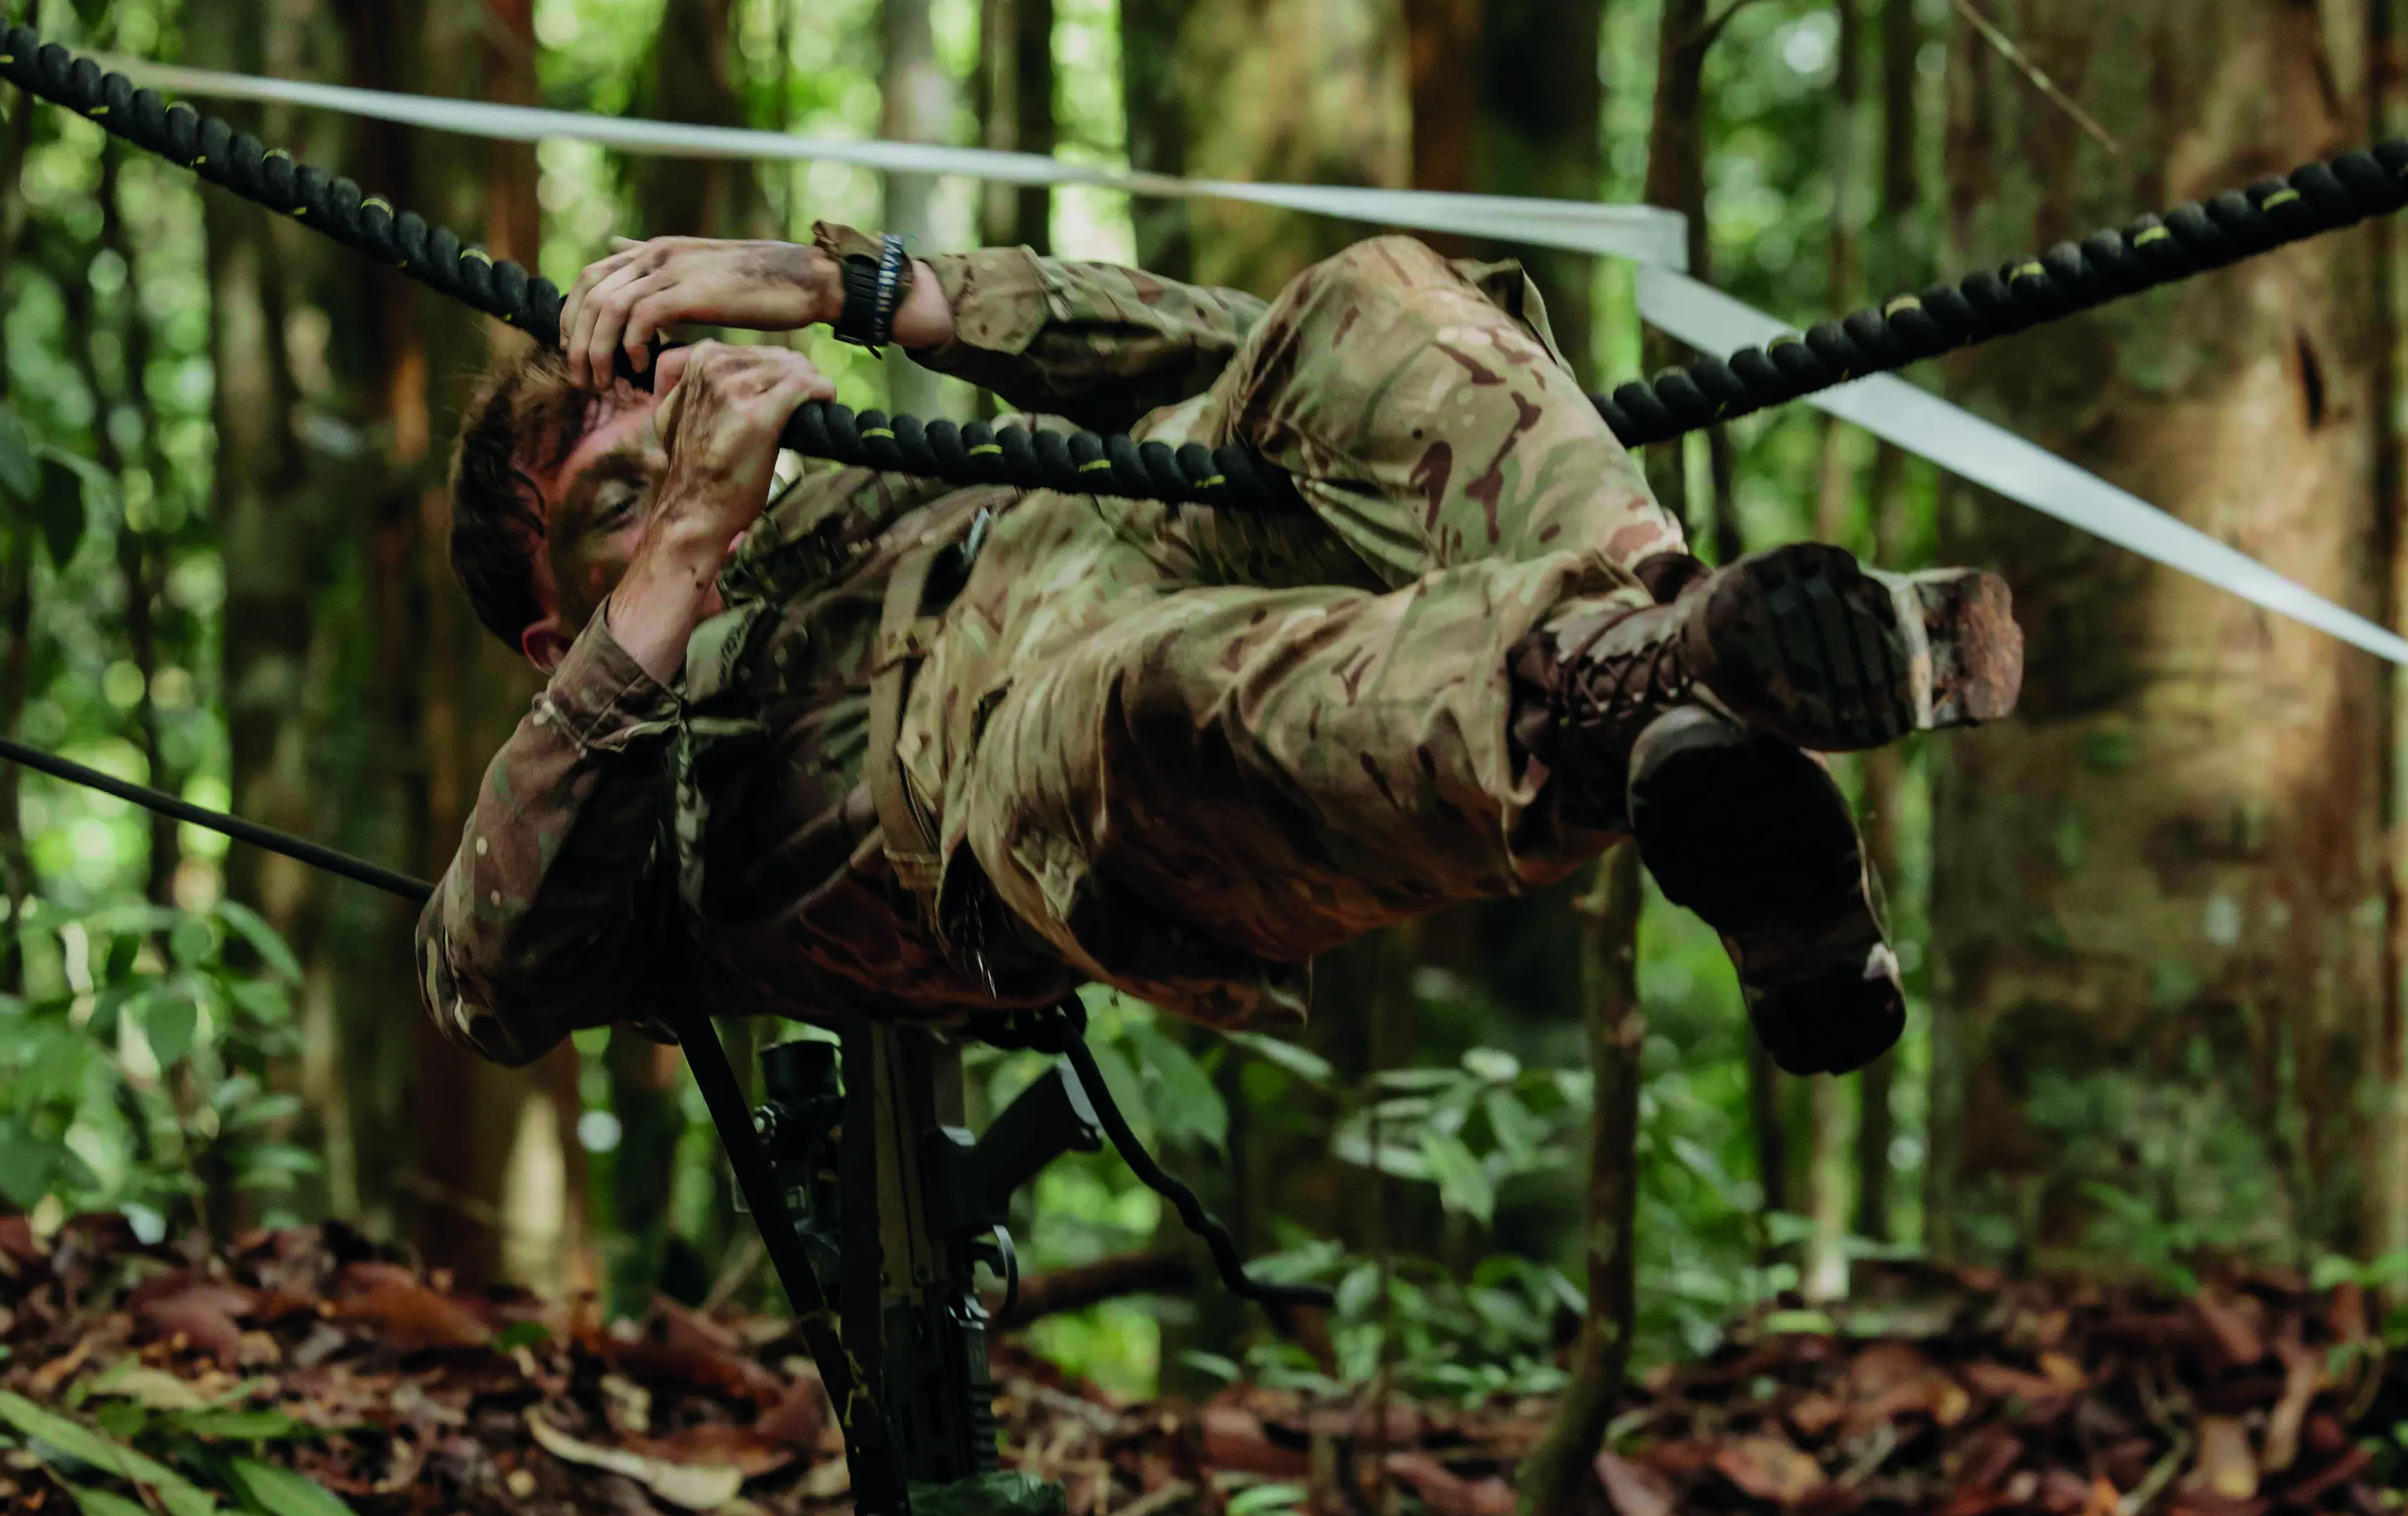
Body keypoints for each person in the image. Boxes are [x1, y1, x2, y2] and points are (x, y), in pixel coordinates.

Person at [414, 225, 2021, 1081]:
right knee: (1139, 702)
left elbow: (1259, 355)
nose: (693, 447)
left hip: (1184, 541)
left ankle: (1676, 643)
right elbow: (483, 982)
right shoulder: (631, 790)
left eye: (686, 400)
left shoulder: (893, 484)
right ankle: (1653, 686)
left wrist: (869, 286)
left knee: (1369, 298)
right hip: (1018, 776)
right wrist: (684, 548)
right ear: (558, 629)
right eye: (618, 490)